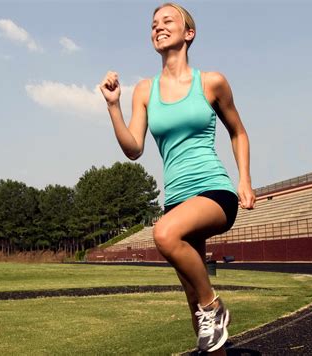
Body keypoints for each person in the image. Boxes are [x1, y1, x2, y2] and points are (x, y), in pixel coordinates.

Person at [99, 2, 256, 354]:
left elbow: (238, 132)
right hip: (177, 198)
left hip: (214, 191)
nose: (158, 26)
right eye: (153, 23)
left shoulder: (211, 82)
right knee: (193, 305)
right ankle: (212, 332)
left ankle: (215, 305)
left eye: (167, 20)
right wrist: (113, 106)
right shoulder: (144, 90)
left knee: (165, 233)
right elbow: (133, 148)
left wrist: (244, 179)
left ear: (189, 33)